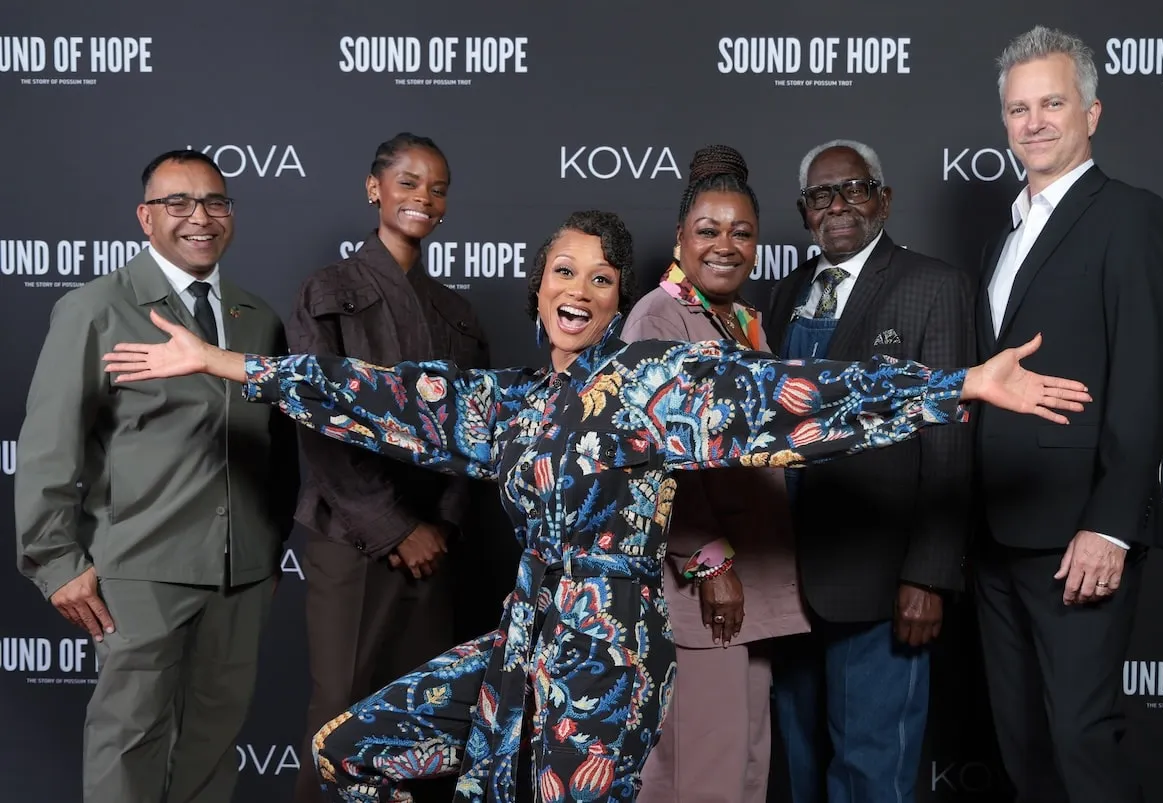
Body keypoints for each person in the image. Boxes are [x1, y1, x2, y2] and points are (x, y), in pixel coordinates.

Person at [100, 210, 1090, 803]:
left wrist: (957, 385)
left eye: (601, 277)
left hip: (606, 665)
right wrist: (219, 360)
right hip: (522, 647)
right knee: (346, 751)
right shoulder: (511, 402)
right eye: (563, 270)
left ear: (620, 301)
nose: (579, 288)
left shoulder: (655, 384)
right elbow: (372, 394)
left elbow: (790, 401)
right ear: (539, 287)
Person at [14, 149, 299, 803]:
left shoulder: (258, 318)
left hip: (242, 573)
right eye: (179, 203)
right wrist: (55, 560)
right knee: (129, 740)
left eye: (215, 202)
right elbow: (48, 448)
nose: (200, 217)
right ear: (146, 217)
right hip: (140, 568)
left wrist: (268, 548)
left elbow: (281, 450)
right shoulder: (96, 308)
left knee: (213, 742)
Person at [971, 26, 1163, 803]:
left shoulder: (1132, 217)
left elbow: (1145, 378)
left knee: (1079, 741)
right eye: (1018, 108)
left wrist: (1112, 524)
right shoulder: (1008, 234)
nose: (1034, 122)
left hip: (1076, 535)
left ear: (1092, 112)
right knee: (1023, 744)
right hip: (995, 531)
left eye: (1052, 102)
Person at [765, 139, 975, 803]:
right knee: (799, 768)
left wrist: (928, 574)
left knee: (873, 774)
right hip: (786, 577)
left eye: (854, 189)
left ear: (883, 198)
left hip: (880, 582)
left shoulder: (933, 287)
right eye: (822, 196)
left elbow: (947, 435)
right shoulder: (784, 292)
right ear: (804, 213)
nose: (838, 206)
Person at [288, 132, 489, 803]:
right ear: (375, 188)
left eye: (437, 188)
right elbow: (319, 423)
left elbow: (476, 431)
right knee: (342, 710)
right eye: (408, 182)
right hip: (352, 536)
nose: (423, 198)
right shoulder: (328, 291)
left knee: (424, 719)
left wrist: (441, 526)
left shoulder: (457, 314)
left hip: (436, 545)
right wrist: (397, 527)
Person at [621, 145, 809, 803]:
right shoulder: (658, 316)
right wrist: (711, 566)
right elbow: (650, 458)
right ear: (680, 238)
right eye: (708, 229)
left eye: (742, 231)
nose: (726, 244)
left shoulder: (744, 322)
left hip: (751, 589)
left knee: (744, 774)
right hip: (702, 591)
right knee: (699, 779)